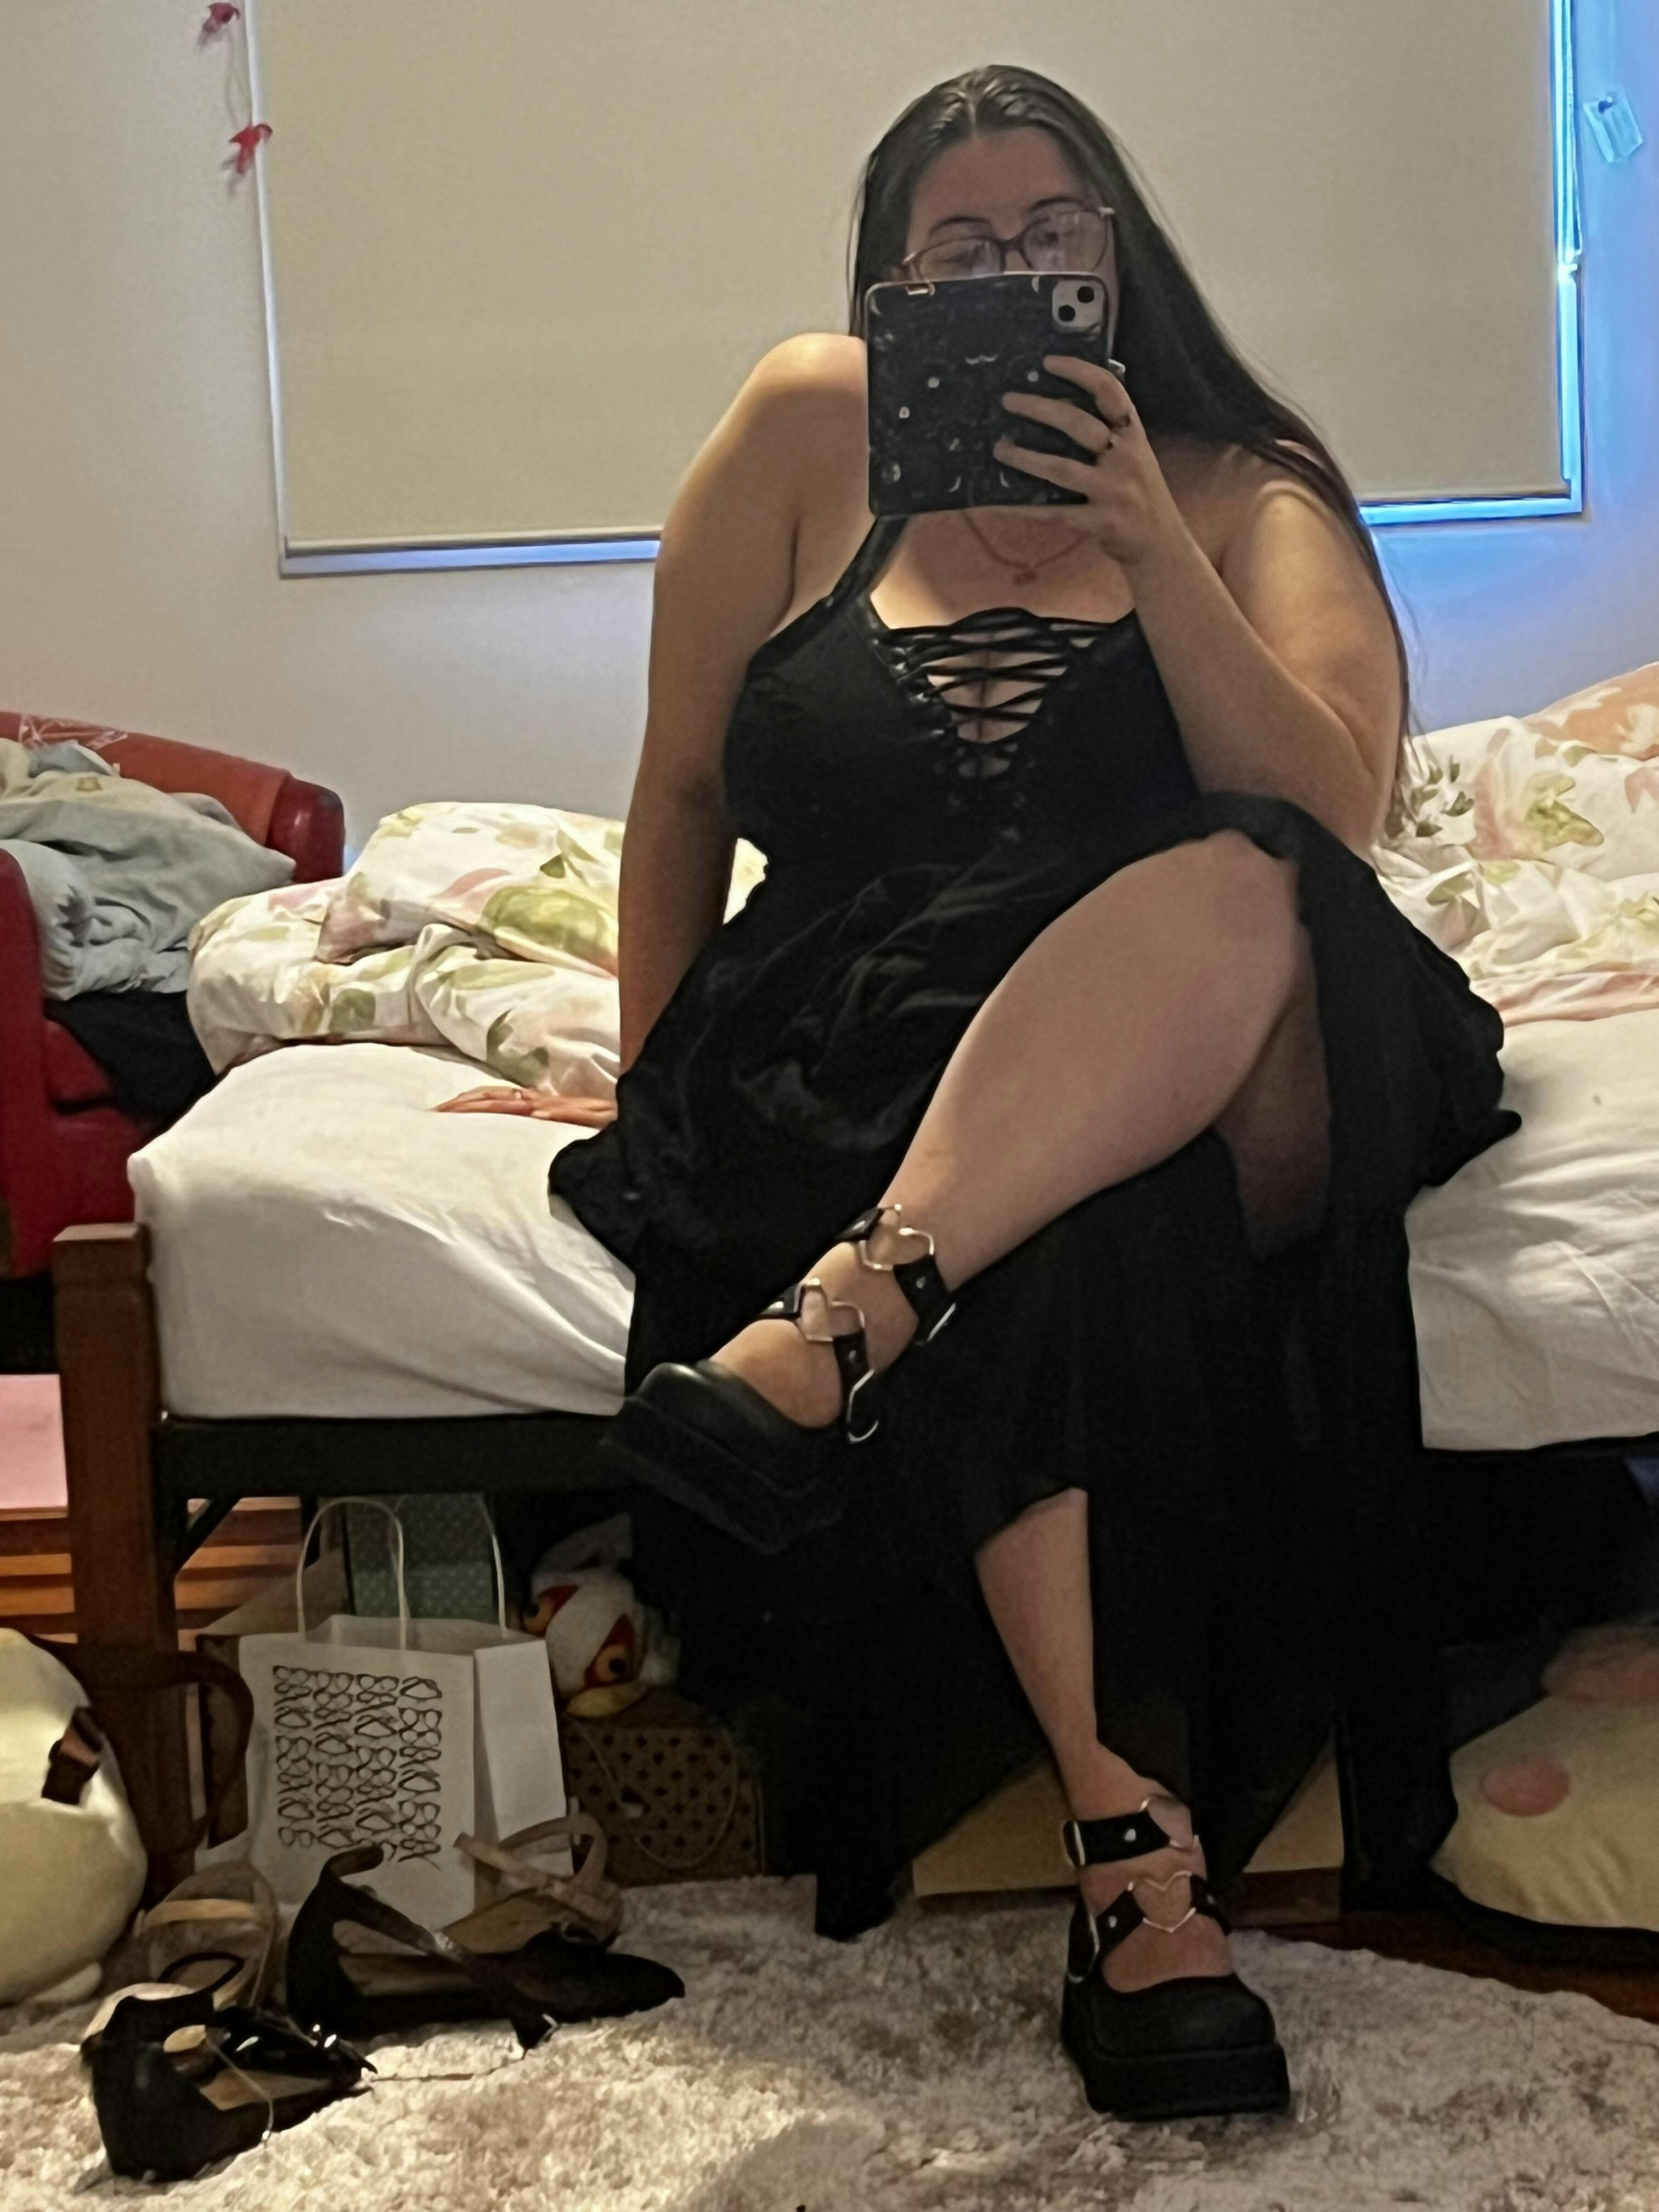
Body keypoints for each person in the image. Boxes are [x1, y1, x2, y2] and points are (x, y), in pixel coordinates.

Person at [441, 64, 1517, 2121]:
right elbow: (680, 791)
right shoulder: (802, 430)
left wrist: (1151, 539)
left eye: (1052, 235)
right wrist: (655, 1088)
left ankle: (830, 1330)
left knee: (1242, 873)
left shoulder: (1244, 483)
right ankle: (1140, 1873)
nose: (1012, 274)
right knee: (1076, 1223)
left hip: (1220, 1010)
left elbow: (1332, 820)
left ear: (1120, 252)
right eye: (961, 251)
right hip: (878, 1040)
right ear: (888, 287)